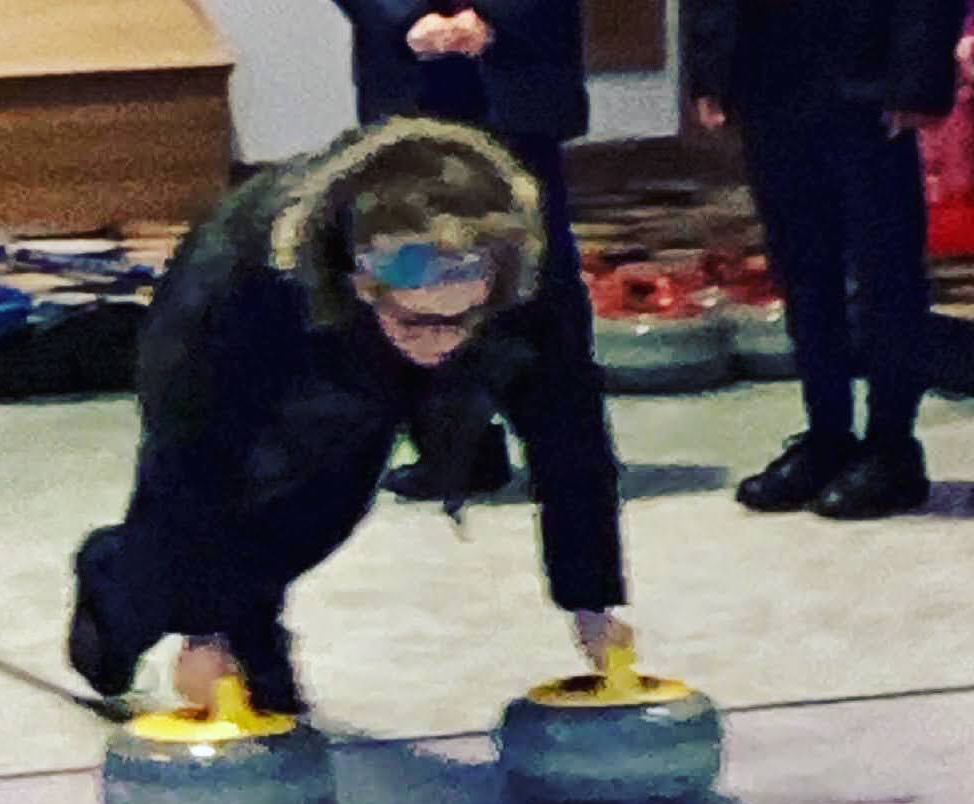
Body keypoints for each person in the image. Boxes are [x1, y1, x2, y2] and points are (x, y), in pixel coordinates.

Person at [67, 117, 629, 722]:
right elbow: (193, 459)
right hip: (246, 346)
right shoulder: (249, 277)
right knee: (202, 533)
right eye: (418, 322)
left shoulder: (525, 275)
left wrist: (592, 601)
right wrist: (204, 632)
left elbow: (569, 432)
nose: (440, 341)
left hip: (362, 349)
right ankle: (116, 588)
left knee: (326, 512)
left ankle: (250, 633)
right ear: (363, 283)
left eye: (459, 320)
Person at [686, 0, 964, 518]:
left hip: (869, 71)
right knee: (802, 270)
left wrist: (918, 76)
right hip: (770, 70)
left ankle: (892, 448)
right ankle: (827, 435)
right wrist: (711, 69)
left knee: (886, 272)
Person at [326, 0, 607, 506]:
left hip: (519, 63)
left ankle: (563, 450)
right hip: (407, 71)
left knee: (540, 274)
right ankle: (455, 446)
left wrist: (495, 18)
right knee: (414, 267)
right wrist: (405, 17)